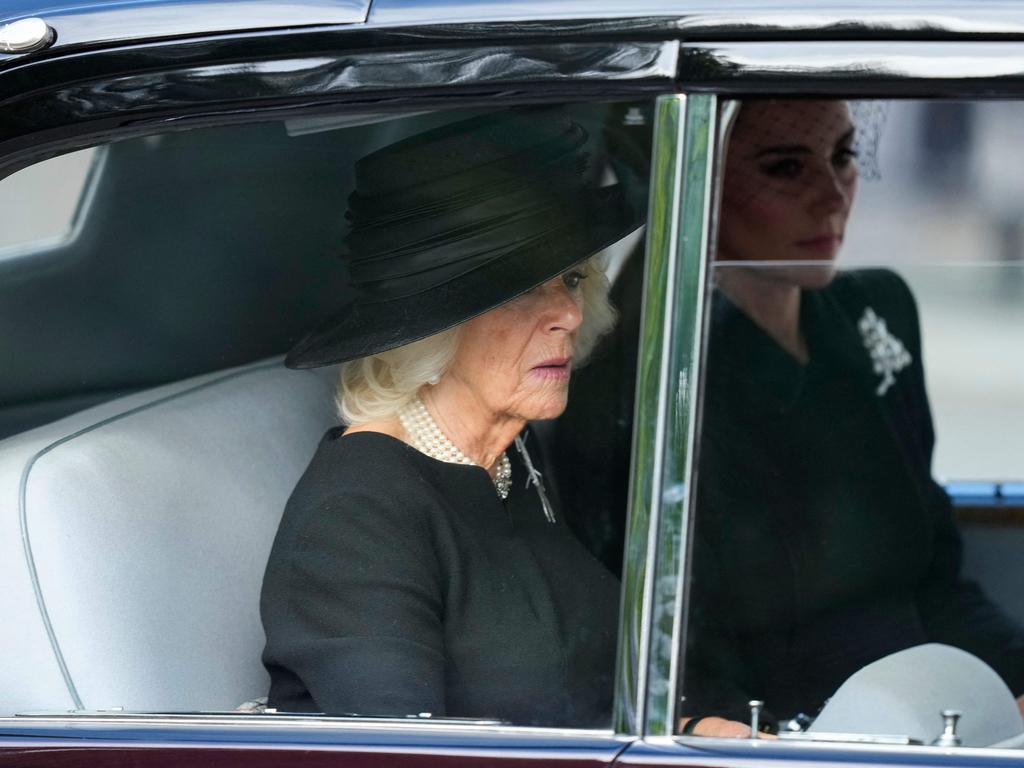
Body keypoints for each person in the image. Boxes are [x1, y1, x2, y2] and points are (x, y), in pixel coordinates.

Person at [259, 109, 643, 726]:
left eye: (570, 279)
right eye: (523, 289)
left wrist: (694, 728)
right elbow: (406, 756)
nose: (568, 315)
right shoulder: (357, 519)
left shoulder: (508, 456)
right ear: (431, 331)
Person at [679, 99, 1024, 737]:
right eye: (785, 168)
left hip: (944, 707)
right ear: (698, 178)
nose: (833, 196)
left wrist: (1014, 684)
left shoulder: (876, 312)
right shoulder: (671, 366)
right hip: (801, 734)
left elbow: (936, 578)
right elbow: (685, 649)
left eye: (844, 157)